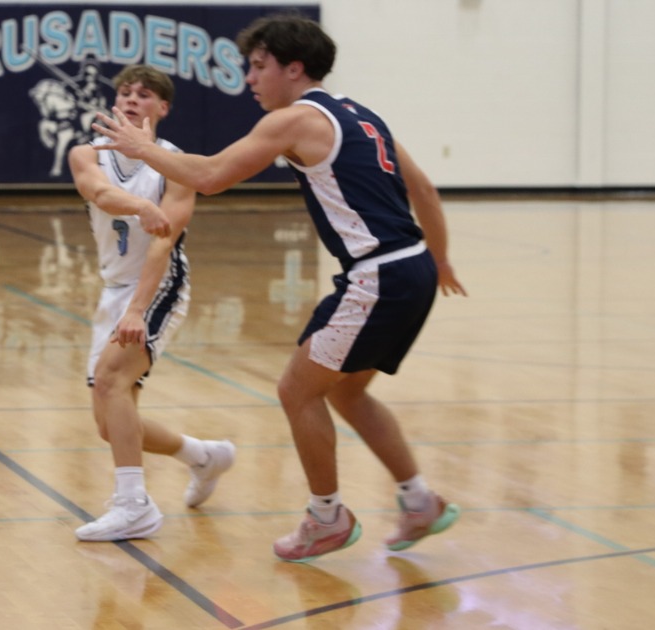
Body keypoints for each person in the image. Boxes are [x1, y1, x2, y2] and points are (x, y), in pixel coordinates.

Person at [92, 14, 467, 561]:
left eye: (259, 65)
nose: (249, 77)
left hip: (377, 275)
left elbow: (211, 176)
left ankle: (326, 517)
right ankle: (418, 501)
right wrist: (440, 260)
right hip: (412, 268)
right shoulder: (361, 114)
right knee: (345, 391)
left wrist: (141, 148)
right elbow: (425, 191)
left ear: (294, 68)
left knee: (297, 390)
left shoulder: (293, 120)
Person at [69, 64, 235, 542]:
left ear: (162, 108)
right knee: (109, 423)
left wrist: (138, 309)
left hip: (159, 284)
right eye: (125, 92)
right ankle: (203, 456)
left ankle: (133, 505)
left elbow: (164, 241)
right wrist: (139, 205)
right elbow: (98, 192)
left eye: (143, 94)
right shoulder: (86, 153)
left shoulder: (177, 165)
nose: (131, 99)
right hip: (113, 286)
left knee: (111, 380)